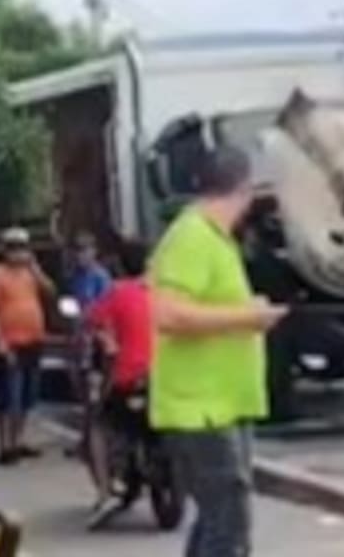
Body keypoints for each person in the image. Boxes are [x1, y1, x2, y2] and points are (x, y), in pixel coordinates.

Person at [151, 144, 288, 557]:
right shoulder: (191, 236)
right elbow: (169, 315)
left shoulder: (214, 238)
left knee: (220, 520)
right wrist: (248, 318)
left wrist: (247, 311)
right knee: (228, 525)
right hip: (200, 408)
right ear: (244, 189)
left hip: (222, 403)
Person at [83, 238, 154, 530]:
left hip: (129, 378)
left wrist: (106, 339)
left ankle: (103, 492)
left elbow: (91, 321)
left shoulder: (117, 293)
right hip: (165, 378)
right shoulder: (164, 293)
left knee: (98, 425)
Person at [0, 226, 55, 465]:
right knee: (9, 395)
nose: (18, 253)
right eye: (13, 248)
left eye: (22, 248)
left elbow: (50, 291)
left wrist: (35, 268)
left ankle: (18, 439)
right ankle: (5, 445)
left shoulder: (30, 273)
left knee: (28, 395)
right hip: (10, 342)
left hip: (33, 340)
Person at [70, 234, 112, 311]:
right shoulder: (75, 274)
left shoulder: (101, 276)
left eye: (84, 251)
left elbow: (106, 304)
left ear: (94, 251)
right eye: (77, 251)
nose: (79, 255)